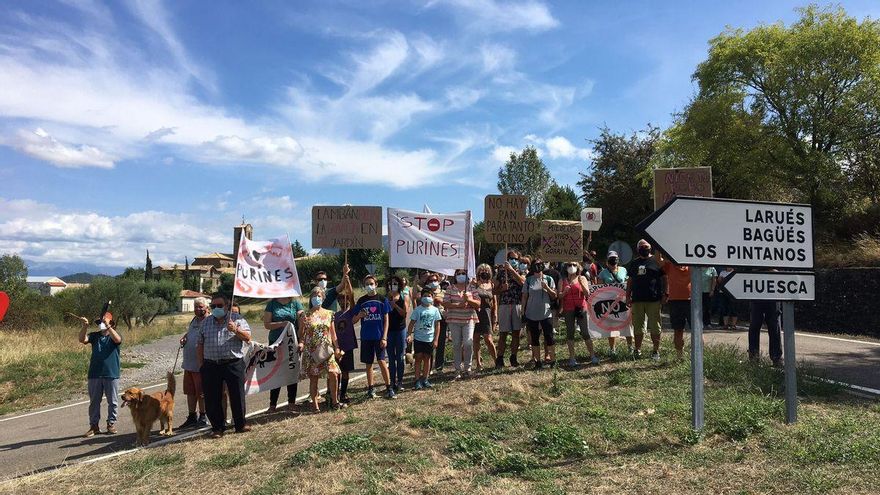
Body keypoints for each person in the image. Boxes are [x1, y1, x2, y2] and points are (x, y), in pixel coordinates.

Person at [197, 293, 252, 438]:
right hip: (211, 365)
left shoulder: (237, 319)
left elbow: (247, 338)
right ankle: (217, 428)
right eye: (213, 306)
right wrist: (202, 365)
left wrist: (235, 329)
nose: (216, 308)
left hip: (233, 364)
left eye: (219, 306)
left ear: (227, 306)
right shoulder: (205, 323)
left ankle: (240, 424)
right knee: (212, 398)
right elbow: (200, 345)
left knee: (237, 395)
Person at [298, 287, 343, 411]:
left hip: (326, 349)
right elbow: (301, 334)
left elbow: (333, 333)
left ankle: (335, 401)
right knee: (314, 377)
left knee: (333, 373)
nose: (316, 298)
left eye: (319, 296)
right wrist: (301, 341)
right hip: (312, 350)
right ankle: (315, 405)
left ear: (323, 298)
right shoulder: (305, 315)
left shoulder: (329, 314)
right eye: (314, 296)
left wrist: (337, 347)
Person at [78, 311, 122, 437]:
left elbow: (118, 340)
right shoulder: (95, 336)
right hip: (95, 373)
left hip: (111, 373)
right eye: (99, 323)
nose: (101, 325)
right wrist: (85, 326)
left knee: (112, 401)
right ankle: (94, 426)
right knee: (94, 402)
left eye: (103, 322)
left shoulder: (114, 336)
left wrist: (108, 326)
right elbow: (82, 339)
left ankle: (111, 424)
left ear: (111, 323)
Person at [353, 275, 395, 399]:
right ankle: (371, 388)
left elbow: (386, 320)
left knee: (382, 361)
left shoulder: (382, 300)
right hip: (366, 337)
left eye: (371, 283)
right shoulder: (361, 301)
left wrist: (384, 337)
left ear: (376, 284)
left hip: (379, 336)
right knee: (368, 363)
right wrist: (359, 315)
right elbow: (353, 320)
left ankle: (389, 388)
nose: (369, 286)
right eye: (366, 284)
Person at [626, 240, 666, 361]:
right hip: (637, 299)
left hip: (654, 299)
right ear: (638, 249)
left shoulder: (656, 261)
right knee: (637, 326)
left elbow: (665, 278)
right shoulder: (634, 263)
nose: (645, 248)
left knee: (655, 326)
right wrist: (628, 296)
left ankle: (655, 351)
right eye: (642, 247)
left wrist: (666, 293)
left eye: (647, 247)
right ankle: (637, 350)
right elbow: (630, 281)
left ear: (650, 248)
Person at [263, 294, 304, 413]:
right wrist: (282, 324)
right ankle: (272, 404)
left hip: (291, 341)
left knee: (292, 370)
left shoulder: (295, 303)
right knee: (276, 372)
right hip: (276, 342)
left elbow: (302, 321)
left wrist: (301, 341)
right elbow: (267, 324)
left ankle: (291, 402)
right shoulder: (271, 304)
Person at [560, 261, 599, 366]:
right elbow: (558, 296)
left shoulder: (582, 278)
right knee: (570, 333)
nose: (571, 267)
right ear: (565, 267)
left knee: (585, 332)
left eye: (574, 265)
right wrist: (564, 293)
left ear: (578, 267)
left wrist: (582, 284)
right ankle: (572, 358)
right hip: (568, 309)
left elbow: (587, 294)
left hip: (581, 308)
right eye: (569, 265)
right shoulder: (562, 280)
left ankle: (592, 355)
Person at [178, 297, 209, 429]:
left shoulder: (209, 321)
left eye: (201, 306)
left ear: (207, 308)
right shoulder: (194, 320)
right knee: (190, 392)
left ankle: (203, 416)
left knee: (201, 393)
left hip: (200, 364)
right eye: (196, 306)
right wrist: (186, 336)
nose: (198, 309)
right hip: (189, 363)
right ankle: (192, 416)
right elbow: (192, 333)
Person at [444, 268, 480, 379]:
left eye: (463, 273)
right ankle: (457, 370)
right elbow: (445, 303)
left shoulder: (472, 287)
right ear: (455, 276)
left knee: (468, 343)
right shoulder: (450, 288)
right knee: (456, 345)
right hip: (454, 319)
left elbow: (478, 303)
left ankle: (467, 368)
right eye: (458, 273)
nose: (461, 275)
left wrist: (468, 299)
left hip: (468, 319)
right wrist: (457, 305)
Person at [522, 258, 557, 368]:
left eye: (540, 264)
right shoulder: (528, 280)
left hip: (546, 313)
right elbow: (524, 297)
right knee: (534, 338)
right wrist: (523, 311)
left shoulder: (549, 279)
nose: (538, 267)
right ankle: (537, 362)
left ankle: (552, 360)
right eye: (536, 265)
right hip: (532, 313)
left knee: (549, 337)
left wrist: (546, 288)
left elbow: (554, 295)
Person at [597, 251, 632, 355]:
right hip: (610, 303)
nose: (613, 260)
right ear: (607, 260)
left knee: (627, 325)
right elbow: (599, 289)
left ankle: (630, 348)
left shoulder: (624, 270)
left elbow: (627, 284)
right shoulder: (603, 273)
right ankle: (612, 349)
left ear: (618, 259)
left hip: (623, 302)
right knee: (611, 325)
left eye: (615, 258)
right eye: (611, 258)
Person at [494, 250, 525, 368]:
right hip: (504, 304)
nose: (514, 261)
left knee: (516, 333)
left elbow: (523, 283)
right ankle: (500, 358)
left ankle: (513, 357)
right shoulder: (501, 272)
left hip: (517, 304)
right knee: (503, 333)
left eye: (516, 259)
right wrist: (501, 289)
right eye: (512, 258)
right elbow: (494, 290)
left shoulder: (521, 271)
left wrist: (512, 270)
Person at [408, 289, 442, 390]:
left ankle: (425, 378)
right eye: (425, 296)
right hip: (419, 338)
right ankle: (417, 380)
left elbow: (437, 325)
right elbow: (411, 323)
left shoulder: (435, 310)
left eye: (429, 296)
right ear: (421, 297)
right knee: (418, 358)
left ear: (433, 297)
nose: (427, 298)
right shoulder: (417, 310)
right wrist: (409, 334)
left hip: (430, 339)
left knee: (427, 358)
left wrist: (436, 339)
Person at [660, 256, 691, 360]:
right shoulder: (670, 265)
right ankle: (679, 356)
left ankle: (699, 357)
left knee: (697, 330)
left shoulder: (692, 264)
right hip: (675, 301)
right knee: (678, 330)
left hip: (691, 301)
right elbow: (658, 261)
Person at [385, 275, 410, 393]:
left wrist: (394, 305)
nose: (392, 285)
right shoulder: (385, 298)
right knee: (391, 357)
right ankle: (392, 382)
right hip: (389, 331)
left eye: (395, 283)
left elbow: (404, 314)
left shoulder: (404, 297)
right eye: (390, 283)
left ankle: (400, 381)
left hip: (400, 330)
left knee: (400, 357)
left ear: (399, 285)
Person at [334, 278, 357, 404]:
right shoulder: (335, 315)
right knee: (336, 372)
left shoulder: (351, 313)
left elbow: (352, 296)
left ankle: (343, 394)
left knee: (346, 373)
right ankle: (334, 394)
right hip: (337, 347)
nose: (343, 302)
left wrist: (348, 282)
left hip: (348, 347)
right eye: (340, 300)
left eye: (345, 299)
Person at [473, 263, 498, 371]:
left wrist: (495, 316)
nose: (484, 272)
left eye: (486, 270)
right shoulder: (474, 284)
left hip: (487, 313)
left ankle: (497, 360)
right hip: (476, 313)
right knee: (476, 339)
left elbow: (495, 301)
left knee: (488, 339)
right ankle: (478, 363)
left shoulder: (491, 285)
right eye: (482, 270)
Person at [749, 299, 782, 367]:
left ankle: (776, 358)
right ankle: (753, 358)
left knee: (774, 326)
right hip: (756, 295)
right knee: (755, 324)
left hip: (773, 295)